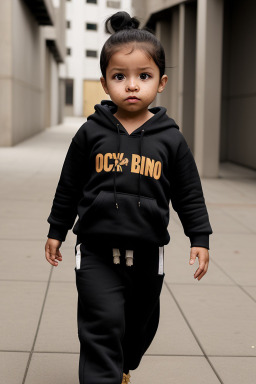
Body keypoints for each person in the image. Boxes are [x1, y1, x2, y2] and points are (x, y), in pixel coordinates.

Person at [45, 11, 212, 384]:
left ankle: (124, 364)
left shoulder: (170, 139)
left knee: (138, 328)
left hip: (147, 255)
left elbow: (189, 193)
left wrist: (199, 238)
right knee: (100, 325)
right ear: (105, 83)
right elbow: (69, 185)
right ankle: (103, 373)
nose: (132, 85)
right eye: (120, 77)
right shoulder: (91, 134)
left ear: (162, 81)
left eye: (144, 76)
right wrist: (57, 229)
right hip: (96, 252)